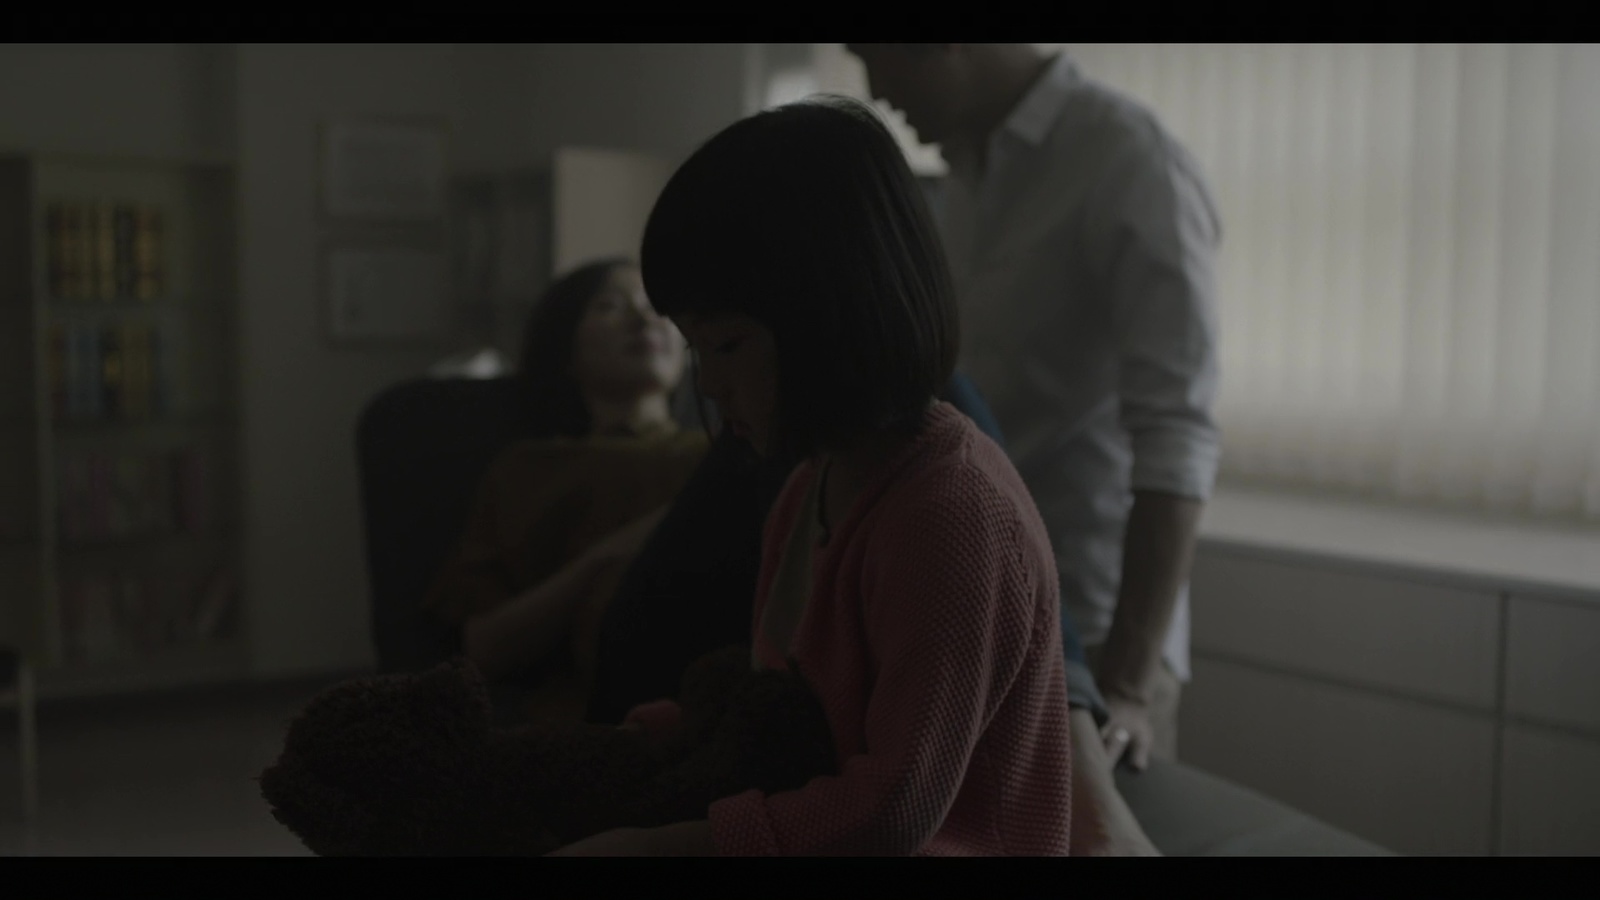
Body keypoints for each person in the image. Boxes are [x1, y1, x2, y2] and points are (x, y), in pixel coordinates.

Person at [550, 96, 1081, 857]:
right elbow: (787, 719)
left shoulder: (953, 515)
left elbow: (895, 808)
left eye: (727, 346)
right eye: (696, 350)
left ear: (834, 318)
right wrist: (645, 742)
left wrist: (664, 843)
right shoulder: (810, 484)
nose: (706, 385)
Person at [847, 43, 1223, 773]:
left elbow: (1178, 436)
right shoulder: (961, 174)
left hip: (1097, 627)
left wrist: (1127, 686)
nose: (875, 89)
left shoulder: (1126, 158)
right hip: (973, 608)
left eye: (878, 56)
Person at [421, 258, 708, 721]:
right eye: (611, 306)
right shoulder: (527, 469)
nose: (644, 319)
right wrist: (605, 559)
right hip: (595, 705)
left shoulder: (725, 453)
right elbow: (484, 647)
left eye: (656, 306)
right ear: (566, 350)